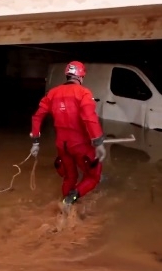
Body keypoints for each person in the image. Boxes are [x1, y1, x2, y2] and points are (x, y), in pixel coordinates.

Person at [29, 61, 107, 207]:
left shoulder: (52, 93)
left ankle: (65, 205)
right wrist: (98, 143)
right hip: (80, 145)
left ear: (67, 75)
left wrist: (36, 142)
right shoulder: (84, 93)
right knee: (93, 176)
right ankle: (72, 198)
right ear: (81, 76)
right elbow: (89, 118)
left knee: (70, 177)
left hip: (62, 145)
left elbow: (37, 117)